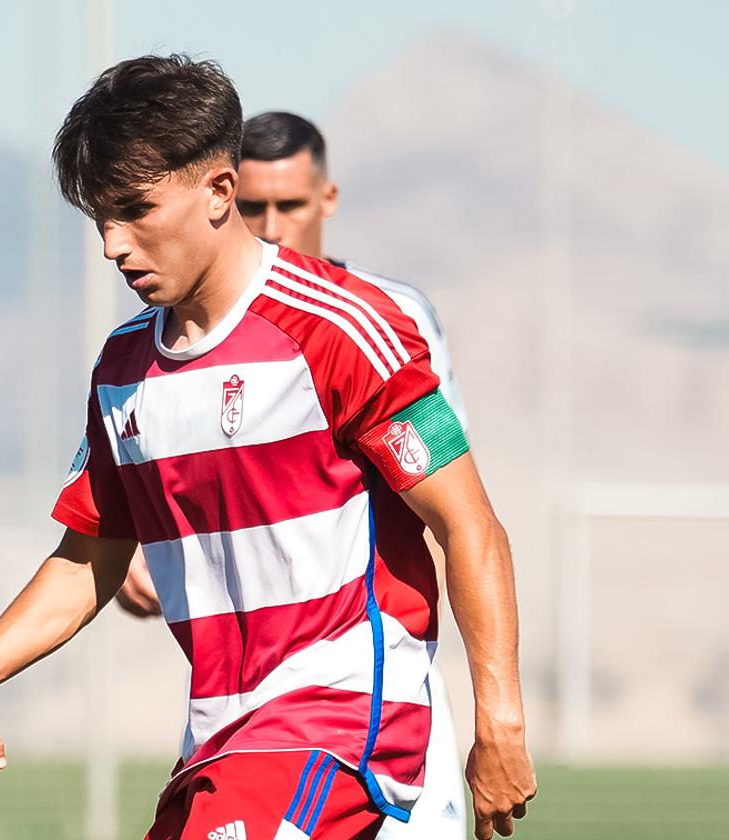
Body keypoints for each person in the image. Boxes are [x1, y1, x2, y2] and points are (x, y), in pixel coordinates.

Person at [0, 55, 535, 840]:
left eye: (136, 210)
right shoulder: (122, 371)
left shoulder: (342, 328)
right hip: (219, 741)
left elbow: (469, 526)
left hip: (339, 724)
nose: (113, 245)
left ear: (220, 191)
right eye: (100, 219)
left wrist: (501, 724)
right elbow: (91, 555)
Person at [116, 109, 473, 840]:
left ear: (327, 200)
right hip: (238, 708)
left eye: (291, 206)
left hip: (366, 695)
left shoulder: (386, 316)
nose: (274, 225)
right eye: (255, 207)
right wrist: (143, 556)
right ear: (224, 201)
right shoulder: (162, 343)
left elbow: (453, 502)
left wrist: (489, 706)